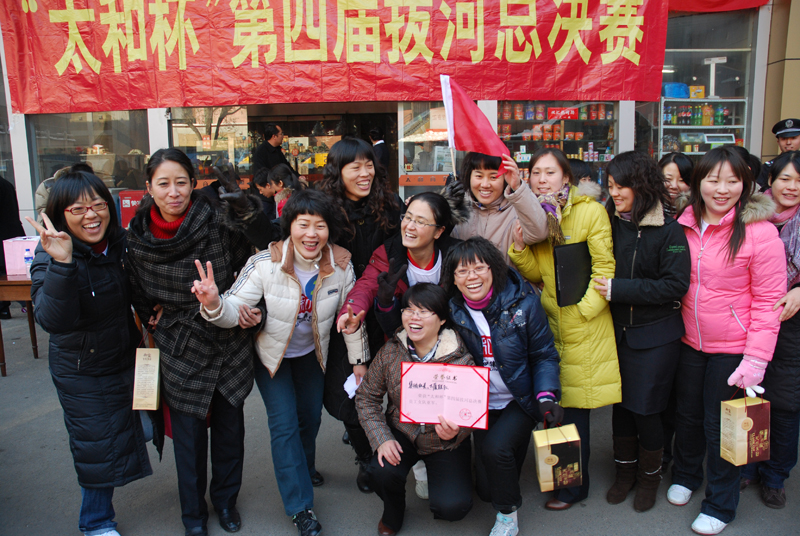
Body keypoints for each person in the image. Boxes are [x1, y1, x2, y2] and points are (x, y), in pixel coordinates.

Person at [193, 189, 368, 536]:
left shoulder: (340, 265)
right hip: (272, 358)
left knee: (310, 419)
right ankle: (300, 506)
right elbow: (233, 308)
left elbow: (350, 318)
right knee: (285, 424)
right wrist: (213, 304)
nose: (311, 234)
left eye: (320, 226)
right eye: (303, 224)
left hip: (311, 356)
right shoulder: (264, 263)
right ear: (289, 226)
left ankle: (304, 467)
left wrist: (359, 361)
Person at [126, 149, 256, 536]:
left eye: (181, 182)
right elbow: (137, 290)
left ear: (193, 184)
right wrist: (156, 313)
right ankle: (193, 516)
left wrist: (237, 306)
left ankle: (226, 501)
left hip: (228, 335)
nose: (174, 192)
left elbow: (246, 270)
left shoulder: (219, 221)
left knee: (230, 433)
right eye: (163, 184)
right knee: (189, 439)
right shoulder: (138, 238)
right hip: (179, 346)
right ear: (149, 187)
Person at [668, 146, 786, 535]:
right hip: (688, 340)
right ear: (698, 182)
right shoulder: (683, 222)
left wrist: (756, 359)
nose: (722, 189)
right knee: (687, 417)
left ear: (746, 183)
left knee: (726, 428)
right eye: (713, 180)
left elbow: (770, 301)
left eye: (733, 181)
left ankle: (720, 504)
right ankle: (686, 474)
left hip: (734, 347)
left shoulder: (760, 232)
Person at [27, 170, 152, 536]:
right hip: (81, 369)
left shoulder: (119, 244)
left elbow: (139, 288)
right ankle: (96, 522)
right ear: (60, 214)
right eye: (78, 209)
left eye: (98, 205)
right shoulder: (50, 253)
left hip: (125, 357)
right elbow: (53, 319)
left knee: (143, 428)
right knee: (99, 444)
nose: (91, 215)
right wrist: (63, 264)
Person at [509, 147, 620, 509]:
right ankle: (561, 478)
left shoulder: (590, 212)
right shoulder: (535, 215)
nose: (542, 180)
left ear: (566, 178)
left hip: (584, 325)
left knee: (575, 412)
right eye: (536, 173)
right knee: (553, 405)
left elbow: (605, 268)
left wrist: (583, 312)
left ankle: (573, 488)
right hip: (549, 323)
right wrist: (519, 249)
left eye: (550, 172)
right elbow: (536, 274)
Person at [337, 191, 464, 499]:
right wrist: (352, 308)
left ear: (439, 231)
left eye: (421, 221)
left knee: (444, 400)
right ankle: (415, 461)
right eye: (408, 218)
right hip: (402, 339)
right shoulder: (389, 251)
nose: (410, 226)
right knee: (407, 399)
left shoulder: (454, 253)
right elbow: (366, 284)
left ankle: (444, 454)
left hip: (447, 341)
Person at [444, 237, 562, 536]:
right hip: (479, 402)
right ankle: (508, 454)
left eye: (479, 268)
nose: (471, 277)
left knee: (496, 450)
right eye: (462, 271)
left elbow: (544, 355)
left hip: (518, 398)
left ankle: (508, 516)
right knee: (486, 489)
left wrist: (546, 394)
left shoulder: (525, 303)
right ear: (453, 279)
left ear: (493, 269)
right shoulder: (453, 310)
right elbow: (417, 325)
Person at [593, 152, 691, 512]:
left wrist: (619, 290)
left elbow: (675, 284)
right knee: (620, 406)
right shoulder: (608, 222)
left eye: (622, 186)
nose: (614, 192)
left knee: (646, 409)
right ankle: (624, 474)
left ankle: (650, 478)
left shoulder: (670, 230)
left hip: (656, 335)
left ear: (642, 185)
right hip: (615, 332)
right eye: (610, 185)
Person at [317, 137, 403, 493]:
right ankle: (367, 457)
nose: (365, 173)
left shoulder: (391, 205)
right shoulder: (325, 211)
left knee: (395, 388)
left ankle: (398, 449)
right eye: (355, 167)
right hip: (344, 315)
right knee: (349, 392)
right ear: (338, 171)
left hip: (386, 308)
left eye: (369, 165)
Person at [356, 283, 474, 536]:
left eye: (423, 311)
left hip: (444, 441)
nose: (414, 317)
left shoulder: (461, 358)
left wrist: (457, 432)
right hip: (403, 431)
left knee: (453, 507)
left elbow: (472, 411)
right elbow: (366, 397)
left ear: (442, 319)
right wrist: (381, 438)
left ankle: (451, 479)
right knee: (380, 471)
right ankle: (393, 511)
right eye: (408, 310)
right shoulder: (391, 352)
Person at [740, 150, 800, 509]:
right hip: (752, 319)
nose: (792, 187)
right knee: (750, 396)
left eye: (799, 181)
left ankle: (776, 475)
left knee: (786, 403)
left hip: (792, 326)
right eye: (785, 179)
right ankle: (748, 465)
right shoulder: (749, 217)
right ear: (771, 181)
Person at [447, 151, 548, 265]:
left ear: (505, 179)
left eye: (493, 177)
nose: (485, 184)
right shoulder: (459, 205)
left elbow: (538, 234)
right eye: (479, 176)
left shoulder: (518, 208)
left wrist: (518, 187)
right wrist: (447, 204)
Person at [0, 175, 25, 318]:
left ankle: (4, 308)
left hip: (4, 235)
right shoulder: (7, 184)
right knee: (15, 272)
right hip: (12, 234)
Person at [757, 119, 800, 190]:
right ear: (778, 141)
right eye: (784, 139)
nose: (788, 142)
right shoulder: (767, 168)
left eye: (793, 138)